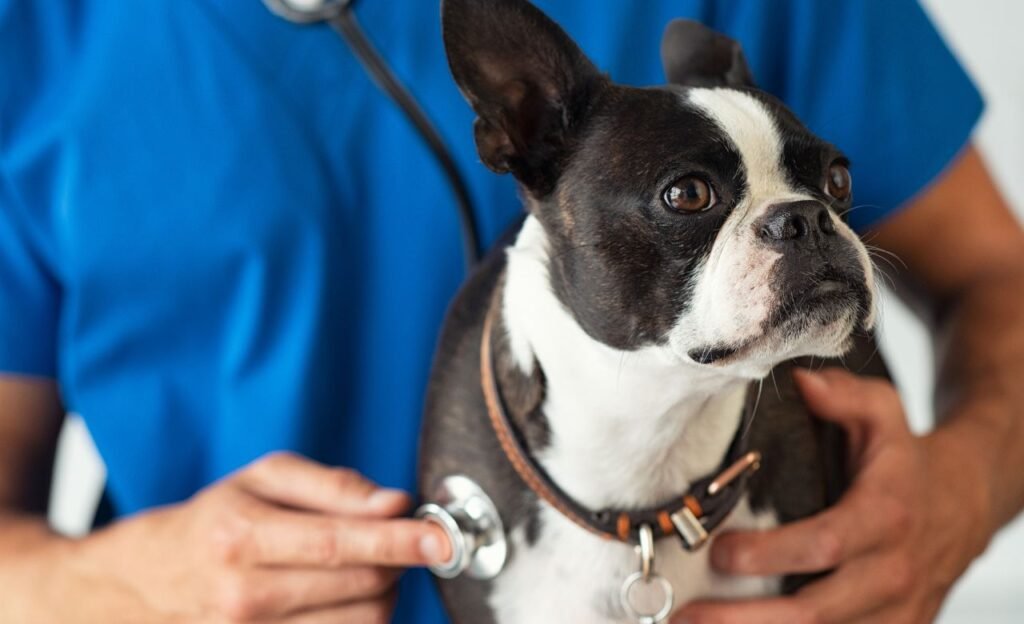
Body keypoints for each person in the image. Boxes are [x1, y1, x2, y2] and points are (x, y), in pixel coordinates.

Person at [0, 0, 1021, 622]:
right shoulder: (32, 40)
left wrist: (964, 486)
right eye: (690, 198)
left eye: (826, 189)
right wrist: (91, 593)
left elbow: (999, 275)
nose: (805, 220)